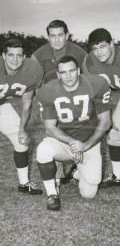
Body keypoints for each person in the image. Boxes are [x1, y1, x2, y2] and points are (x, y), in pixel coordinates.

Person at [36, 56, 111, 211]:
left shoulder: (96, 84)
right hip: (65, 142)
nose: (68, 76)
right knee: (43, 150)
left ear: (78, 70)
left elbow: (106, 122)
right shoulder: (48, 90)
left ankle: (76, 172)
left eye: (72, 71)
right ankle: (52, 194)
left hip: (89, 141)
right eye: (63, 72)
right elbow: (49, 128)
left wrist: (85, 145)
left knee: (89, 194)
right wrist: (72, 143)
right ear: (58, 74)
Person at [31, 19, 88, 189]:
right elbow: (36, 84)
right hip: (51, 101)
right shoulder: (38, 55)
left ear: (67, 35)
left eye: (60, 35)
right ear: (47, 37)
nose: (56, 40)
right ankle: (56, 178)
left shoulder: (79, 52)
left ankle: (79, 168)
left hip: (75, 100)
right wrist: (43, 103)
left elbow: (87, 80)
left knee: (77, 133)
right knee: (52, 135)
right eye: (52, 35)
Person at [84, 28, 120, 188]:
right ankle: (117, 176)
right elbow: (99, 91)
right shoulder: (91, 61)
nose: (98, 52)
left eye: (102, 46)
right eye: (95, 48)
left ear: (112, 43)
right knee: (114, 138)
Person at [0, 38, 44, 195]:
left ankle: (24, 184)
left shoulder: (32, 70)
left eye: (19, 55)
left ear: (24, 57)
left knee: (22, 142)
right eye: (10, 55)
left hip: (2, 105)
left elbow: (27, 103)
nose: (15, 59)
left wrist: (22, 129)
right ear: (3, 56)